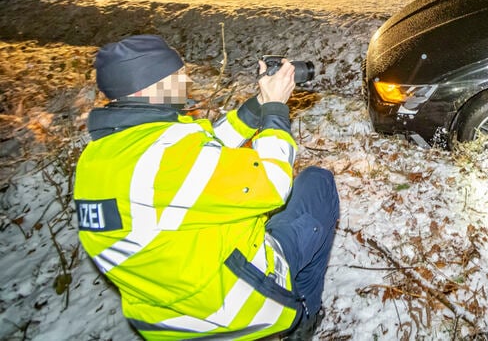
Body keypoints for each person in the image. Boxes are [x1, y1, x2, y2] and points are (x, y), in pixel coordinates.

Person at [74, 34, 339, 341]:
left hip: (164, 320)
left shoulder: (97, 159)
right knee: (316, 184)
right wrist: (276, 110)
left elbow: (203, 149)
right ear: (148, 87)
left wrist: (259, 105)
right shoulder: (171, 158)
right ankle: (302, 318)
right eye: (176, 75)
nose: (186, 80)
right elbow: (273, 184)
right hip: (237, 307)